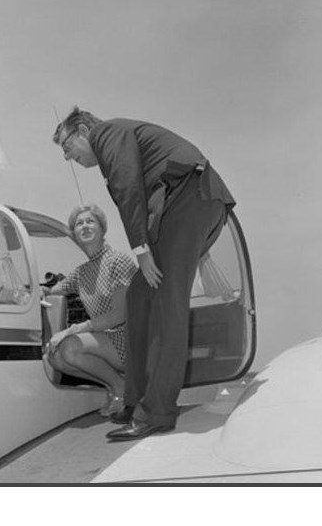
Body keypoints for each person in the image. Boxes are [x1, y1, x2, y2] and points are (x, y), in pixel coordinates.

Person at [53, 107, 236, 441]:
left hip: (191, 199)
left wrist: (142, 250)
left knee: (167, 303)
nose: (69, 157)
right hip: (185, 205)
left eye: (67, 148)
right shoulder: (115, 138)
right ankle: (137, 401)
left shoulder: (107, 134)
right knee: (140, 296)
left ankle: (157, 412)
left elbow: (128, 189)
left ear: (82, 131)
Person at [44, 203, 137, 416]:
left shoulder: (118, 261)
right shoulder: (81, 271)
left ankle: (120, 389)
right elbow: (55, 290)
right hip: (105, 339)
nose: (84, 226)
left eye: (90, 221)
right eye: (79, 224)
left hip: (129, 339)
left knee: (69, 347)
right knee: (55, 357)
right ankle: (116, 384)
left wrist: (70, 330)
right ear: (74, 234)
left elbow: (118, 315)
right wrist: (38, 290)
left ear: (102, 229)